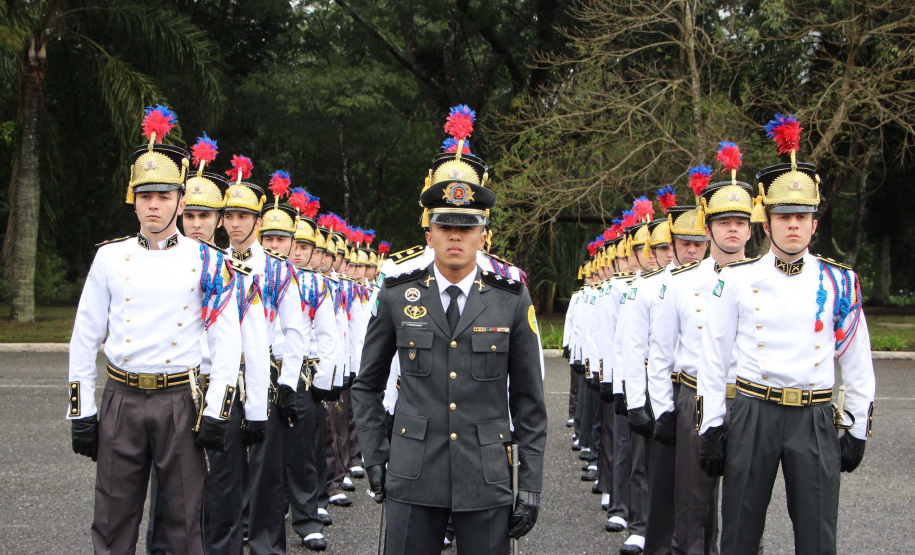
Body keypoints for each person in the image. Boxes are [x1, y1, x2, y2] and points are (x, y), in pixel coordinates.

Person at [352, 105, 547, 555]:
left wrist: (531, 481)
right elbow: (366, 385)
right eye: (445, 225)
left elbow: (530, 399)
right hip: (412, 473)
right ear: (429, 233)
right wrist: (375, 453)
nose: (455, 235)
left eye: (467, 225)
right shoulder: (397, 293)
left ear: (483, 233)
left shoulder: (511, 297)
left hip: (485, 475)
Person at [697, 114, 876, 554]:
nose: (793, 224)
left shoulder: (840, 282)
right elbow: (713, 356)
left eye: (802, 216)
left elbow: (856, 359)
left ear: (814, 223)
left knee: (817, 536)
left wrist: (856, 426)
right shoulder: (736, 279)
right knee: (739, 533)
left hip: (813, 416)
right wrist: (711, 424)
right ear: (767, 223)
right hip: (753, 412)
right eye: (784, 216)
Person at [68, 107, 242, 554]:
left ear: (180, 202)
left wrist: (218, 411)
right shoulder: (110, 257)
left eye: (163, 196)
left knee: (184, 523)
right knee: (111, 520)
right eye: (144, 196)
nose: (153, 205)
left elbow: (227, 342)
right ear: (134, 200)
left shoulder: (209, 261)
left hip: (179, 401)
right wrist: (81, 410)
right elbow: (85, 336)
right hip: (121, 397)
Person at [649, 151, 754, 555]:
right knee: (693, 505)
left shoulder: (762, 279)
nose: (733, 230)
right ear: (709, 229)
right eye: (724, 222)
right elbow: (661, 350)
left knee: (746, 504)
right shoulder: (681, 282)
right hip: (694, 397)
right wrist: (662, 408)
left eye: (740, 222)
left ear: (750, 230)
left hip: (747, 398)